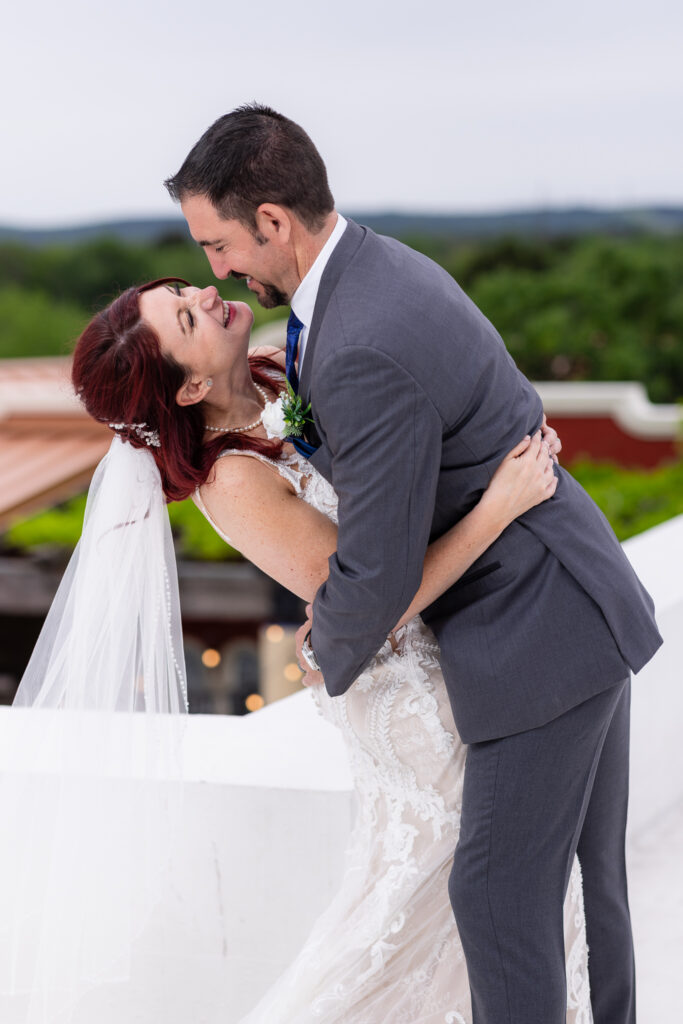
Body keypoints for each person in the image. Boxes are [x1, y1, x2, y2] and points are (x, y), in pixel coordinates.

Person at [162, 104, 663, 1024]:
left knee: (496, 898)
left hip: (535, 631)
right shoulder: (366, 277)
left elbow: (378, 568)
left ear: (272, 220)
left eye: (218, 244)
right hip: (568, 598)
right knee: (589, 886)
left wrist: (325, 653)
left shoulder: (354, 341)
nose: (216, 270)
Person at [63, 276, 591, 1023]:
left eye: (185, 287)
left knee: (498, 904)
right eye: (187, 315)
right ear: (189, 390)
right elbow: (377, 608)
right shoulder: (233, 480)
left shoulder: (288, 365)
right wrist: (500, 505)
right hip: (409, 703)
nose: (208, 293)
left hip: (459, 652)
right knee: (422, 914)